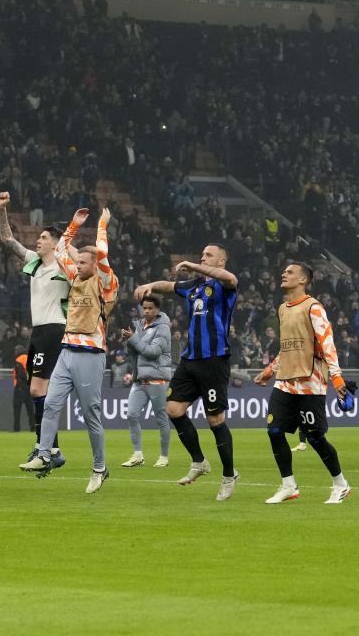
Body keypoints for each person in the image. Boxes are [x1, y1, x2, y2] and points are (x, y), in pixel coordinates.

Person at [19, 207, 118, 494]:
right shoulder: (74, 278)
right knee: (50, 404)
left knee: (91, 415)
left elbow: (101, 254)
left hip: (90, 355)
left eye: (84, 261)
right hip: (66, 351)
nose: (78, 263)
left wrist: (101, 226)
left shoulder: (105, 283)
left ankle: (100, 467)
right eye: (80, 261)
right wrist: (73, 224)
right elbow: (62, 248)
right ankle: (44, 454)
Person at [134, 243, 239, 501]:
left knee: (215, 420)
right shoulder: (193, 286)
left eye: (209, 255)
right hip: (190, 359)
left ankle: (228, 475)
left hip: (214, 360)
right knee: (174, 409)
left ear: (221, 261)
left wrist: (192, 265)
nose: (203, 257)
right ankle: (199, 461)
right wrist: (149, 286)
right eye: (201, 254)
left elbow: (231, 278)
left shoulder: (224, 287)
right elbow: (168, 287)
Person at [253, 262, 352, 505]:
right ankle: (288, 485)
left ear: (303, 280)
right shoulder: (282, 309)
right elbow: (287, 347)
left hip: (311, 382)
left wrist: (336, 376)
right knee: (274, 430)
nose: (283, 274)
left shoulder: (313, 307)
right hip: (285, 381)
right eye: (284, 271)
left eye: (289, 272)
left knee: (315, 437)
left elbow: (327, 342)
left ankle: (340, 484)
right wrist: (269, 371)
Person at [0, 191, 68, 469]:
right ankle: (50, 448)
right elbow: (7, 239)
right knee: (37, 391)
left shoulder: (65, 265)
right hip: (38, 332)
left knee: (40, 390)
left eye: (44, 238)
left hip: (54, 329)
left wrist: (67, 243)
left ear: (56, 244)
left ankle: (46, 449)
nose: (38, 240)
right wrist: (2, 210)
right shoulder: (35, 262)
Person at [120, 295, 172, 468]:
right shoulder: (140, 326)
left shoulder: (163, 328)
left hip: (157, 379)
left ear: (157, 310)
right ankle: (137, 455)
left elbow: (152, 352)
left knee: (161, 418)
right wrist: (128, 339)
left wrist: (133, 338)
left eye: (150, 308)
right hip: (140, 379)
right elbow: (135, 353)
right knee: (131, 414)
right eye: (145, 308)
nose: (147, 311)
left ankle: (164, 456)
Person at [11, 346, 35, 433]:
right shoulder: (29, 358)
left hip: (20, 387)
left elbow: (20, 374)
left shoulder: (19, 360)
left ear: (18, 351)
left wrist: (19, 383)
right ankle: (33, 428)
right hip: (29, 387)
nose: (15, 352)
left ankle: (16, 429)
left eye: (16, 350)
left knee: (17, 409)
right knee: (30, 409)